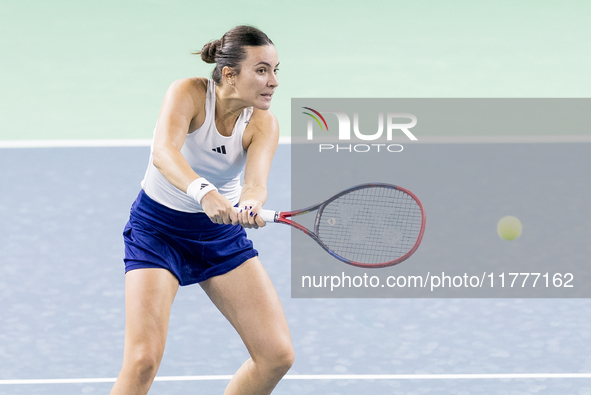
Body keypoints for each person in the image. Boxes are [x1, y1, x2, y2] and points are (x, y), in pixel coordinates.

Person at [109, 25, 293, 395]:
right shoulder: (189, 93)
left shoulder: (262, 123)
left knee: (276, 356)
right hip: (157, 231)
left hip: (218, 236)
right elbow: (164, 152)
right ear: (229, 74)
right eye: (261, 70)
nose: (273, 81)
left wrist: (251, 204)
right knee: (142, 361)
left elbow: (255, 184)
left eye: (276, 70)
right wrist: (205, 193)